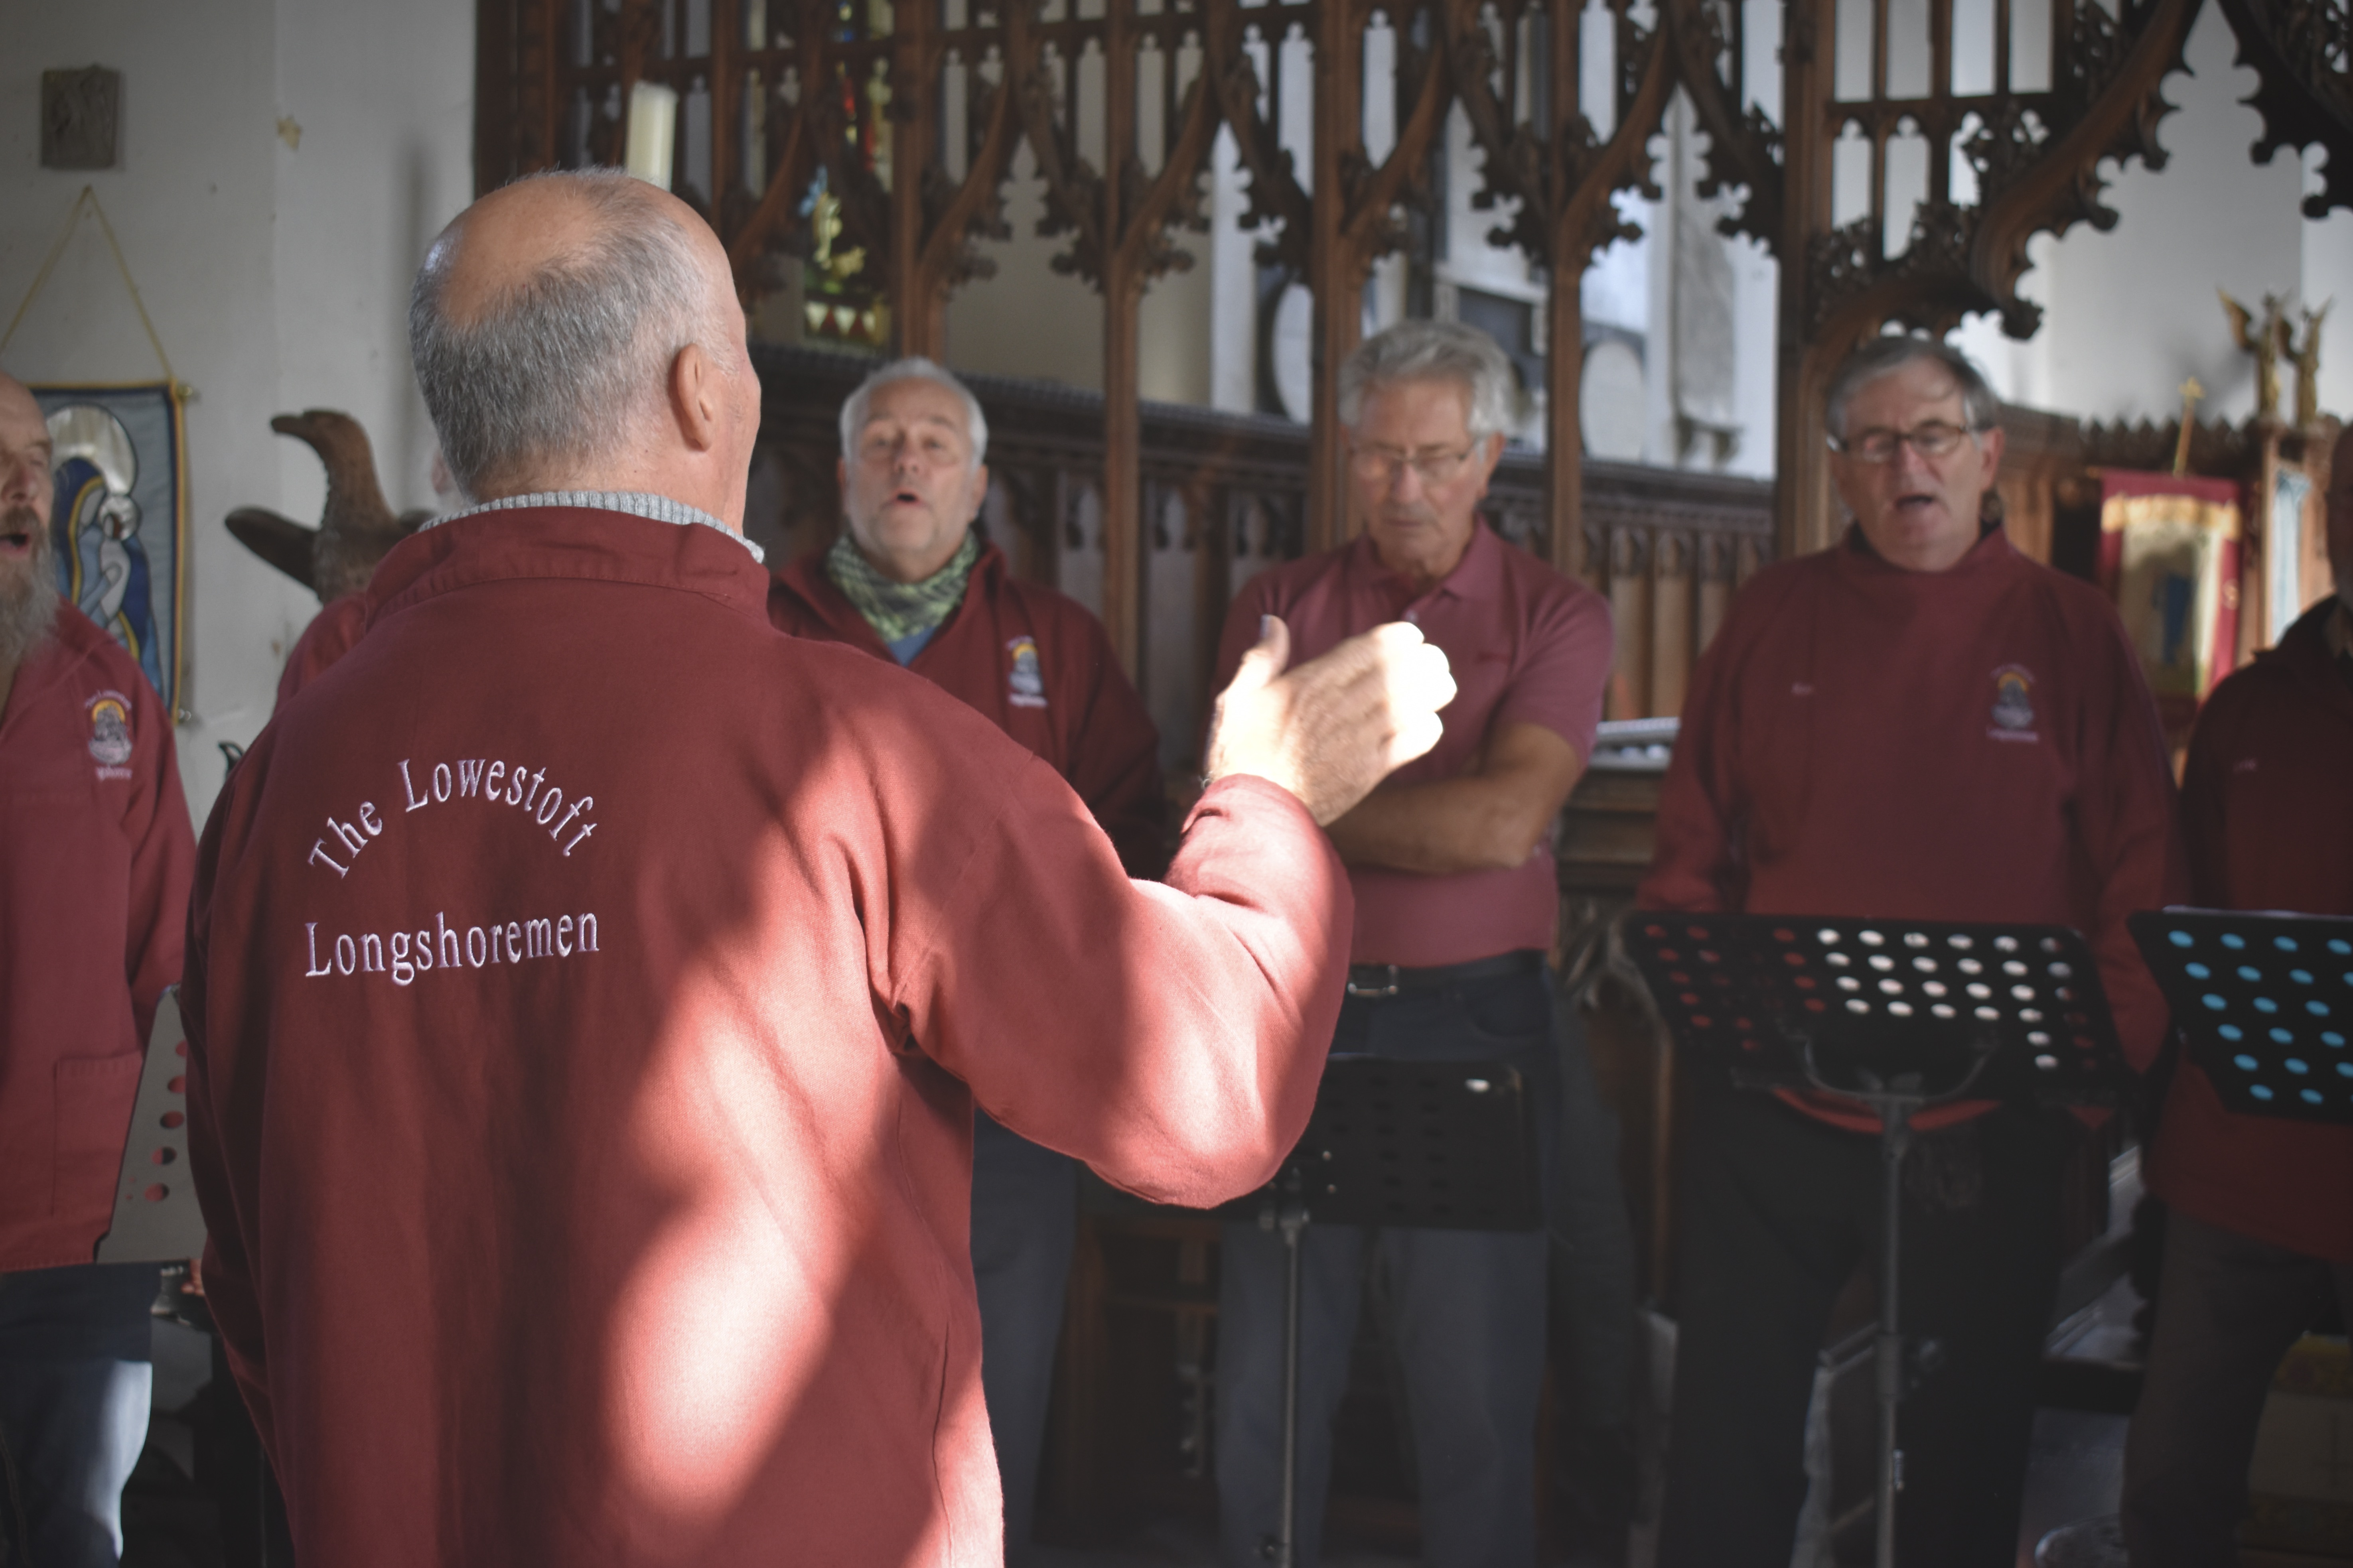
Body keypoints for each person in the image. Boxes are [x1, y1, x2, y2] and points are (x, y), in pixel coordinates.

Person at [178, 167, 1457, 1568]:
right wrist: (1265, 792)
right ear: (698, 395)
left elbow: (248, 1276)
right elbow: (1203, 1086)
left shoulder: (279, 781)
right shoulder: (850, 746)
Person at [1641, 335, 2183, 1568]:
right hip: (1778, 1097)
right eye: (1875, 443)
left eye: (1933, 435)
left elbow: (2141, 881)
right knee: (1726, 1439)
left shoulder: (2069, 629)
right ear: (1837, 469)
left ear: (1989, 455)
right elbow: (1690, 852)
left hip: (1986, 1107)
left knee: (1962, 1450)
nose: (1907, 466)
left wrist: (2081, 1095)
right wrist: (1719, 1031)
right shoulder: (1774, 614)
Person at [1209, 319, 1623, 1568]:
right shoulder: (1281, 600)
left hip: (1475, 1023)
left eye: (1435, 458)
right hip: (1297, 1018)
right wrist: (1269, 794)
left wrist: (1299, 792)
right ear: (1347, 449)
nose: (1405, 487)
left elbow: (1503, 823)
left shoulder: (1556, 610)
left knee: (1474, 1400)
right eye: (1380, 456)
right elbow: (1223, 802)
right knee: (1263, 1388)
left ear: (1489, 452)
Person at [769, 356, 1162, 1559]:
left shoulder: (1056, 639)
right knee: (801, 1398)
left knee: (997, 1406)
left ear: (980, 480)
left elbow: (1129, 841)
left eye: (935, 442)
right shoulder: (760, 626)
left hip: (1007, 1098)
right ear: (841, 475)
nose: (907, 460)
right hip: (800, 1098)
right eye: (881, 439)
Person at [2121, 425, 2353, 1566]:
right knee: (2169, 1489)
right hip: (2238, 1167)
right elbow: (2189, 924)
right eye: (2351, 497)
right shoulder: (2246, 707)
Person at [0, 369, 198, 1567]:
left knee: (73, 1536)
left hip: (77, 1235)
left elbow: (168, 962)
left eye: (31, 459)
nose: (20, 484)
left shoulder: (110, 695)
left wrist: (179, 1209)